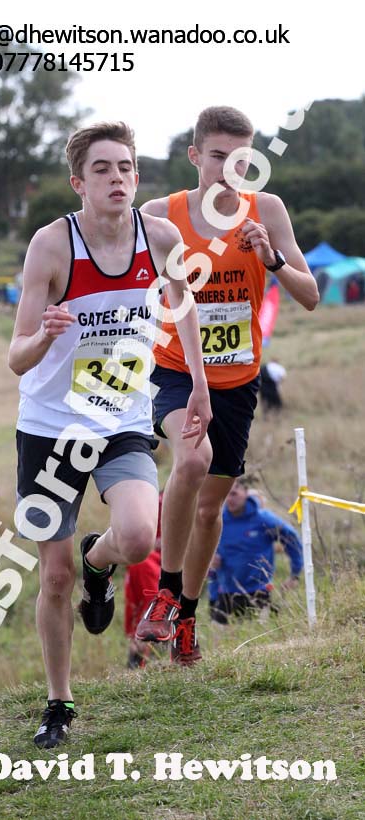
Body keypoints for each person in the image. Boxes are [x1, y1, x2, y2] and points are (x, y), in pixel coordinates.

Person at [9, 121, 211, 748]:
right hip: (50, 429)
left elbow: (184, 307)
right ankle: (59, 704)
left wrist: (200, 384)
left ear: (136, 176)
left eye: (126, 167)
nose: (118, 178)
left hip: (120, 416)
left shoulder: (163, 236)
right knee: (55, 577)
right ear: (79, 183)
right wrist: (45, 334)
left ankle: (103, 564)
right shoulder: (51, 246)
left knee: (137, 535)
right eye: (103, 169)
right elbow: (16, 356)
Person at [135, 106, 319, 665]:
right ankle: (166, 593)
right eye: (218, 157)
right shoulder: (160, 215)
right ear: (195, 157)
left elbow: (309, 294)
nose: (228, 169)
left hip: (238, 381)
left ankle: (186, 618)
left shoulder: (266, 210)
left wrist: (274, 259)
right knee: (191, 461)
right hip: (174, 370)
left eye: (241, 159)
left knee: (211, 509)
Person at [209, 478, 303, 624]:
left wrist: (295, 573)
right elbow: (198, 545)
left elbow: (292, 539)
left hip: (258, 591)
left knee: (258, 637)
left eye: (234, 493)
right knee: (220, 642)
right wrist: (209, 558)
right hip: (225, 592)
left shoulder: (263, 519)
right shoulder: (218, 519)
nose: (230, 499)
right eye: (226, 494)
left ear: (246, 492)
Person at [124, 492, 163, 669]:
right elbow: (134, 601)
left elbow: (151, 598)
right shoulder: (138, 563)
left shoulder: (143, 563)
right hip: (145, 631)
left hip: (149, 633)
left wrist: (138, 634)